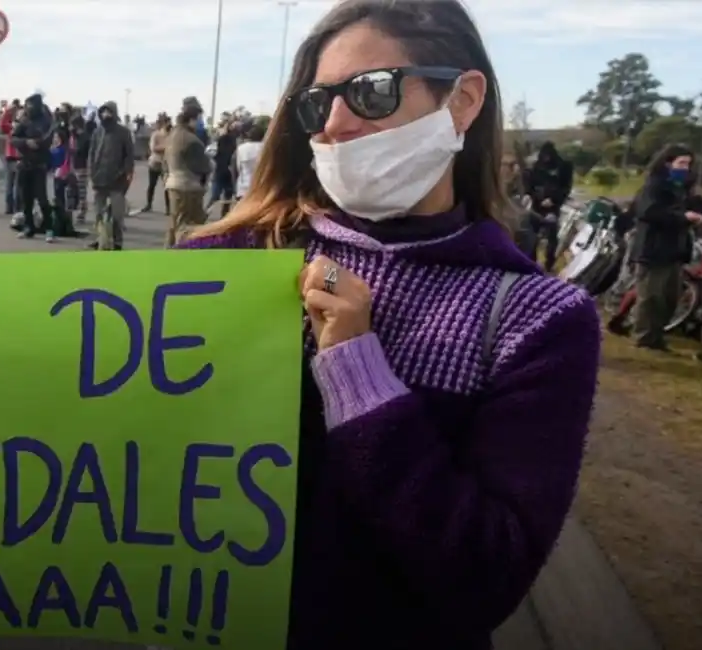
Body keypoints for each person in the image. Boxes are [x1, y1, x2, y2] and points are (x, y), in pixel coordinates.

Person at [178, 0, 599, 646]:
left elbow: (485, 575)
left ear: (461, 100)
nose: (336, 125)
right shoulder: (230, 260)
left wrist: (357, 372)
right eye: (317, 105)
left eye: (369, 92)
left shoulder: (537, 319)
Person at [626, 144, 702, 352]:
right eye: (681, 163)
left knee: (669, 298)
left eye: (688, 164)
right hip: (653, 249)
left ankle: (657, 337)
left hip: (675, 251)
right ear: (668, 162)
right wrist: (682, 217)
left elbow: (693, 205)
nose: (685, 168)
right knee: (651, 296)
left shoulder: (683, 188)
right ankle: (644, 338)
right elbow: (648, 212)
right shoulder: (654, 186)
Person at [87, 100, 135, 250]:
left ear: (114, 113)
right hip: (99, 178)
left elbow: (129, 155)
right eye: (103, 111)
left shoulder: (123, 132)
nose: (105, 114)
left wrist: (127, 172)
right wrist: (92, 171)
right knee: (99, 213)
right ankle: (100, 238)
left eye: (108, 111)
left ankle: (118, 241)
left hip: (117, 180)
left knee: (117, 215)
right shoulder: (97, 132)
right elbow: (92, 153)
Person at [162, 99, 210, 247]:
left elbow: (164, 162)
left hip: (172, 183)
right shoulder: (192, 140)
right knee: (188, 225)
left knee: (175, 221)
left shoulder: (171, 136)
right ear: (192, 120)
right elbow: (203, 167)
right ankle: (181, 252)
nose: (201, 122)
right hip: (188, 186)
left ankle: (168, 250)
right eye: (199, 119)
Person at [523, 140, 573, 271]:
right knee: (531, 236)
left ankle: (549, 263)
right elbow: (528, 186)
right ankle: (531, 262)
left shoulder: (563, 167)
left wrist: (554, 200)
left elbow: (565, 188)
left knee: (552, 236)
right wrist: (533, 197)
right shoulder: (535, 167)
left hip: (552, 206)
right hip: (536, 205)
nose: (546, 158)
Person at [13, 93, 55, 239]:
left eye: (31, 104)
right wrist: (25, 142)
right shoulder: (24, 120)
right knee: (26, 199)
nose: (29, 107)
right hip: (24, 163)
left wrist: (36, 143)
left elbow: (48, 140)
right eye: (27, 104)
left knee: (42, 199)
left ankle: (49, 229)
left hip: (39, 164)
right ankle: (28, 227)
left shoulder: (46, 122)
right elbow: (12, 138)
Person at [232, 119, 264, 206]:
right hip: (262, 189)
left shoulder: (240, 149)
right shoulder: (267, 149)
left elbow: (236, 169)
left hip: (243, 188)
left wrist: (235, 188)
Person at [143, 115, 169, 214]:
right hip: (155, 162)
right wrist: (166, 147)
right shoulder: (156, 134)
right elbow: (153, 148)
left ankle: (168, 207)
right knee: (152, 185)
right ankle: (148, 204)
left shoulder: (170, 135)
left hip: (166, 163)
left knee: (167, 186)